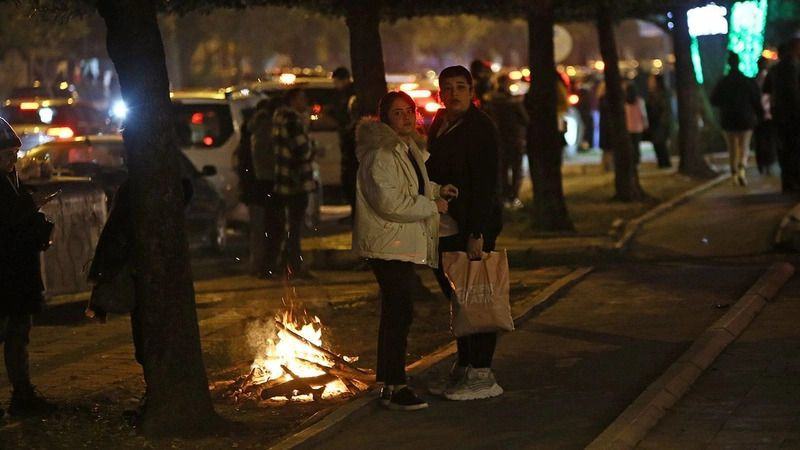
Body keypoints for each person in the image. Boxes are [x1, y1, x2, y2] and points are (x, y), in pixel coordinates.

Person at [353, 91, 457, 410]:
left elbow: (412, 186)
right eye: (398, 113)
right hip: (388, 244)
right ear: (384, 118)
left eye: (410, 111)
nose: (407, 117)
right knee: (399, 313)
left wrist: (439, 190)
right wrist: (432, 206)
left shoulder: (406, 147)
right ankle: (395, 385)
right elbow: (390, 202)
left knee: (398, 313)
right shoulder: (381, 154)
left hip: (398, 242)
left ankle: (389, 382)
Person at [426, 65, 504, 401]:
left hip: (471, 225)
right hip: (445, 226)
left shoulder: (480, 127)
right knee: (459, 297)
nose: (454, 93)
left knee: (477, 293)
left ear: (471, 91)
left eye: (460, 87)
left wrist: (478, 231)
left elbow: (487, 183)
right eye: (448, 88)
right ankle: (465, 364)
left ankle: (482, 373)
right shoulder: (441, 124)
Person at [0, 118, 58, 416]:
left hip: (18, 274)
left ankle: (22, 393)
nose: (14, 158)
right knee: (13, 335)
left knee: (19, 336)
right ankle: (21, 395)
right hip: (7, 274)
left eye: (15, 153)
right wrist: (30, 207)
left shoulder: (14, 182)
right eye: (7, 153)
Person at [270, 87, 316, 279]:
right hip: (296, 181)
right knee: (295, 226)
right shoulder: (292, 120)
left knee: (288, 224)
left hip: (283, 179)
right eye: (302, 98)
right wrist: (312, 147)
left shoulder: (278, 117)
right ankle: (293, 266)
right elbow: (301, 149)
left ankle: (285, 264)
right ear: (293, 100)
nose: (305, 102)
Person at [711, 52, 763, 186]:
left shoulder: (723, 82)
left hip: (728, 119)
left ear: (728, 64)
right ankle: (741, 170)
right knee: (744, 146)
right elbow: (756, 100)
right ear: (738, 63)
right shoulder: (747, 81)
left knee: (732, 148)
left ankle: (734, 174)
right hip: (746, 119)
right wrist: (759, 115)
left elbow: (714, 100)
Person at [244, 97, 282, 277]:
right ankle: (263, 267)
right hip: (263, 186)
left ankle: (258, 266)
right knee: (266, 227)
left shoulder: (253, 129)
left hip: (256, 187)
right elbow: (264, 160)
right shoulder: (264, 129)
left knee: (260, 228)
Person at [484, 74, 529, 209]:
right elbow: (525, 120)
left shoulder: (491, 101)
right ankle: (514, 196)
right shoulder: (513, 102)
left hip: (499, 140)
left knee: (502, 169)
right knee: (516, 169)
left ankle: (504, 196)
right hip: (514, 139)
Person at [764, 39, 800, 192]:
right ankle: (795, 180)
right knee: (795, 149)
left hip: (780, 115)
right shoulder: (795, 68)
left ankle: (787, 181)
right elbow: (794, 94)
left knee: (784, 149)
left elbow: (766, 90)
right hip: (794, 115)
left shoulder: (774, 70)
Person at [330, 67, 358, 224]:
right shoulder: (341, 95)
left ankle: (355, 214)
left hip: (350, 144)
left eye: (337, 81)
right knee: (348, 181)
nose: (336, 85)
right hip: (346, 143)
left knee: (351, 180)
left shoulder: (351, 94)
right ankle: (353, 212)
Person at [754, 56, 777, 175]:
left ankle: (763, 163)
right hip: (768, 114)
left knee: (761, 141)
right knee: (769, 140)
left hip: (759, 115)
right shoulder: (770, 78)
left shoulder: (755, 79)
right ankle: (768, 163)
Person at [646, 74, 674, 168]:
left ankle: (664, 163)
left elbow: (664, 109)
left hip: (659, 123)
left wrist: (663, 122)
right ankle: (662, 162)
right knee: (657, 144)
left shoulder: (662, 94)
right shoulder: (652, 94)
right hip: (655, 123)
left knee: (660, 143)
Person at [624, 82, 649, 165]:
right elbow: (643, 114)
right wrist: (645, 124)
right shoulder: (639, 101)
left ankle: (630, 161)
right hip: (638, 127)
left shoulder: (625, 102)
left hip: (628, 127)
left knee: (630, 146)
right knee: (636, 145)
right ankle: (637, 161)